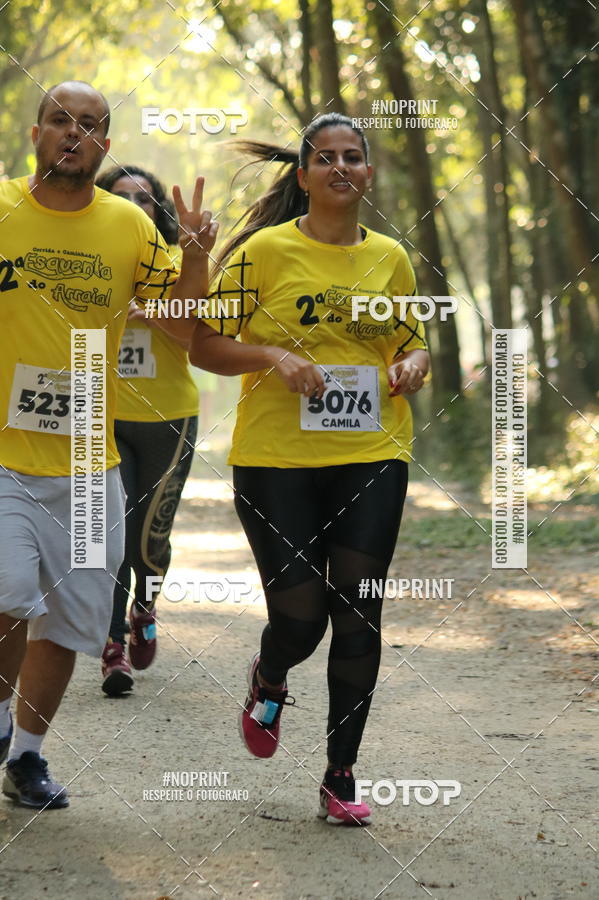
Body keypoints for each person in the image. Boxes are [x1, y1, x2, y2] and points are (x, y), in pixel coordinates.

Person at [189, 113, 429, 826]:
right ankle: (270, 676)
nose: (340, 167)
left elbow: (410, 345)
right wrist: (273, 356)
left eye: (353, 156)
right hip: (276, 460)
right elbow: (204, 344)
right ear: (303, 176)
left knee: (358, 608)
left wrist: (414, 364)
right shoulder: (264, 253)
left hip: (371, 453)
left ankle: (340, 774)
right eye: (325, 158)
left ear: (368, 174)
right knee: (299, 620)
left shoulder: (391, 258)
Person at [0, 80, 216, 809]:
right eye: (60, 119)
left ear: (105, 144)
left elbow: (181, 324)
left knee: (70, 624)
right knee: (6, 595)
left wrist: (194, 256)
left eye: (90, 124)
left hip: (92, 469)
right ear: (36, 134)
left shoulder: (128, 226)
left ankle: (27, 757)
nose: (74, 132)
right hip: (4, 457)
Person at [95, 166, 199, 697]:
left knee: (148, 539)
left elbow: (199, 336)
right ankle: (112, 646)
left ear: (159, 210)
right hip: (101, 413)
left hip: (168, 418)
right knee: (108, 536)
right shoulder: (92, 262)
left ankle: (145, 606)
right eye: (121, 197)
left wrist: (153, 312)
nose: (135, 207)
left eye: (145, 199)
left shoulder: (178, 265)